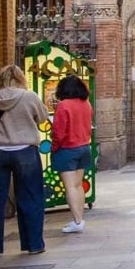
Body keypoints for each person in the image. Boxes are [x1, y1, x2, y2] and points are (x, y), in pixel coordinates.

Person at [0, 65, 51, 258]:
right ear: (21, 79)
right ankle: (34, 244)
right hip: (25, 151)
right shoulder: (30, 96)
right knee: (31, 197)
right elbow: (42, 118)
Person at [50, 75, 93, 234]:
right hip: (84, 147)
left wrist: (54, 147)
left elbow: (59, 131)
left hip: (67, 149)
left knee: (69, 187)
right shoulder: (86, 104)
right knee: (77, 185)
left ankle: (77, 221)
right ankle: (79, 218)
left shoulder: (63, 105)